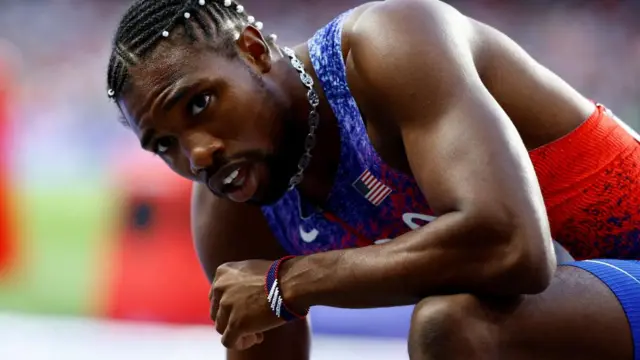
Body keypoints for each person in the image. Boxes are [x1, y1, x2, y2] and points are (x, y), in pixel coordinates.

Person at [106, 0, 640, 358]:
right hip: (585, 310)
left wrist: (287, 283)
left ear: (252, 50)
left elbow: (511, 246)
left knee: (452, 326)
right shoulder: (232, 199)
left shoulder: (387, 45)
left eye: (200, 103)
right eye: (163, 145)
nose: (197, 155)